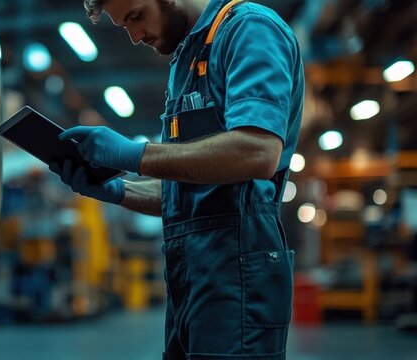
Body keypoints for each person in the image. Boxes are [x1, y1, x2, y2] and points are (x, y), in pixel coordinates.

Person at [48, 0, 304, 358]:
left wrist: (135, 156)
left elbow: (257, 151)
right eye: (124, 26)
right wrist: (120, 190)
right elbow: (186, 189)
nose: (135, 36)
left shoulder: (248, 29)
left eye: (137, 16)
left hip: (239, 277)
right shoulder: (184, 62)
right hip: (191, 280)